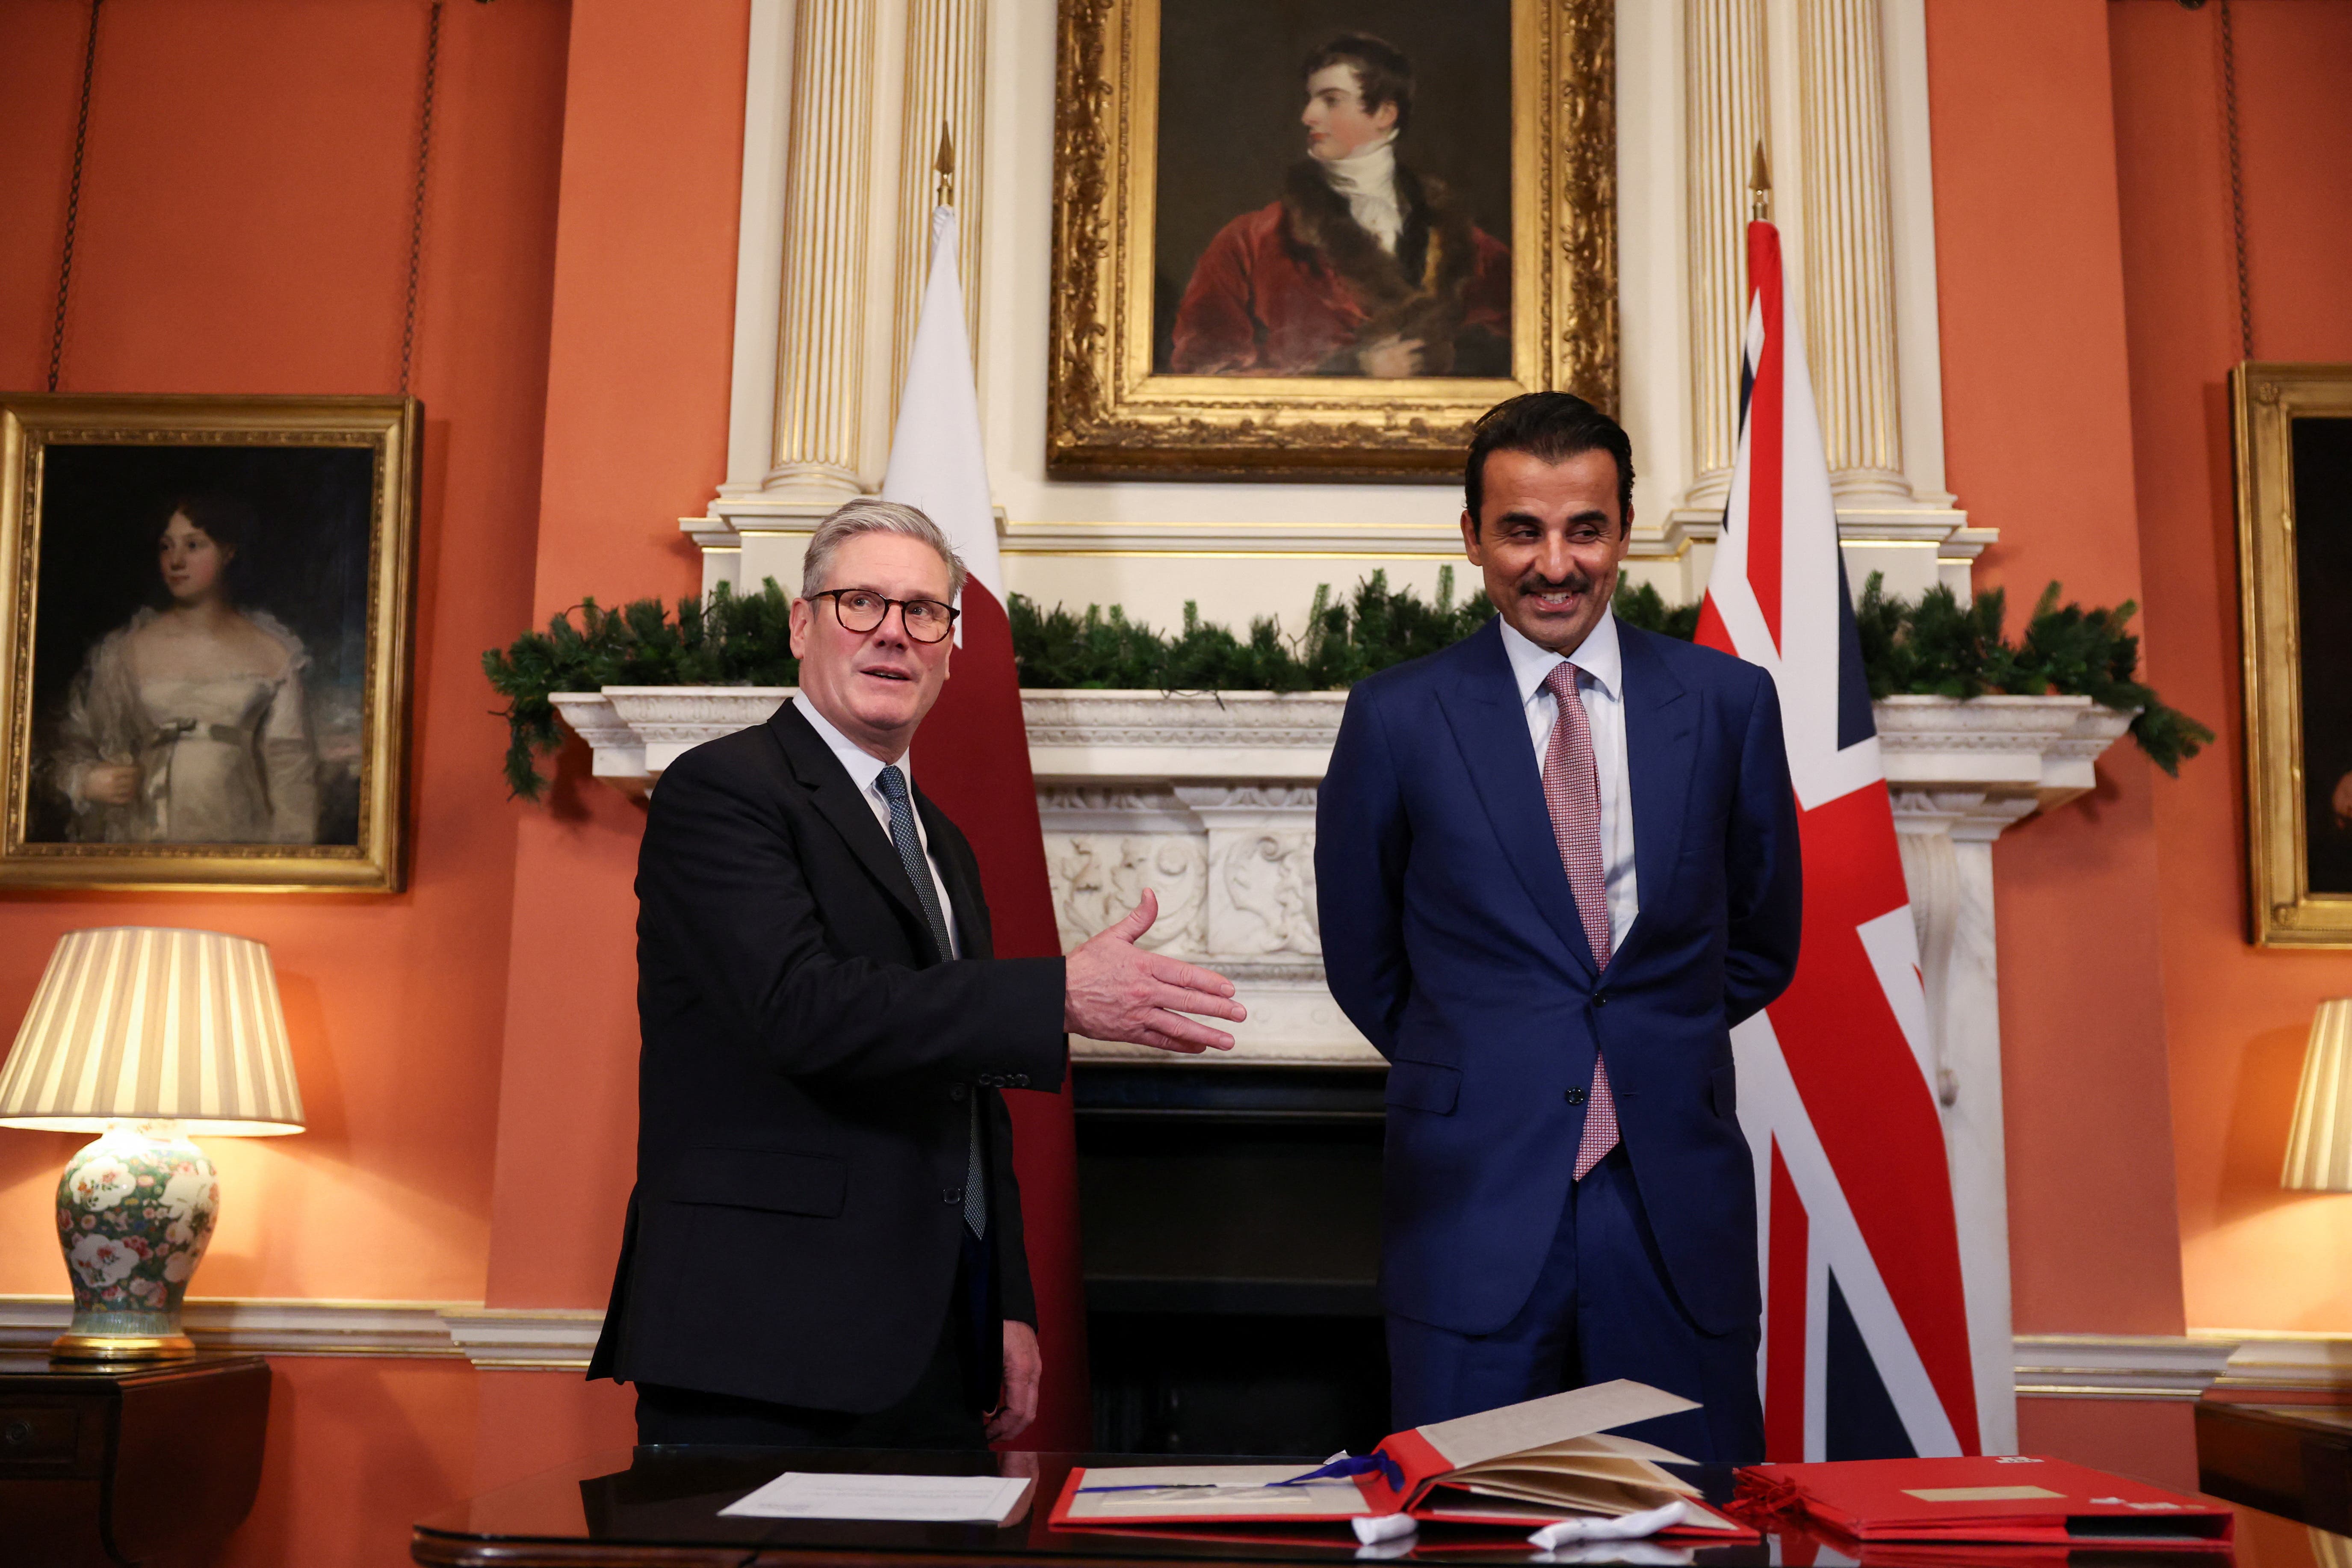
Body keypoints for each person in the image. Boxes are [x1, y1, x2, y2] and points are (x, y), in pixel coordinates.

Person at [588, 500, 1247, 1447]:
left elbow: (966, 1093)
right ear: (800, 623)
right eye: (860, 602)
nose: (894, 632)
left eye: (923, 612)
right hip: (764, 1343)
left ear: (949, 646)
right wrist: (1056, 993)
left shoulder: (938, 838)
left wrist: (1005, 1302)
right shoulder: (724, 790)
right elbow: (801, 1010)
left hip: (933, 1342)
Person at [1315, 392, 1802, 1462]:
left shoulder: (1727, 705)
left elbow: (1763, 936)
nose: (1554, 563)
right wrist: (1497, 1050)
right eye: (1521, 530)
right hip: (1471, 1207)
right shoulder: (1397, 716)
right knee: (1462, 1523)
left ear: (1621, 531)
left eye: (1583, 528)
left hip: (1671, 1208)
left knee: (1688, 1524)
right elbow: (1363, 956)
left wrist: (1647, 1041)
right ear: (1472, 537)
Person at [1167, 33, 1510, 378]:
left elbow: (1533, 353)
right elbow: (1204, 377)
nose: (1308, 116)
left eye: (1331, 100)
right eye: (1311, 99)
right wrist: (1350, 370)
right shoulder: (1250, 240)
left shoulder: (1468, 244)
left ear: (1385, 113)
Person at [49, 493, 319, 845]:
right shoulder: (124, 652)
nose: (176, 561)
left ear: (228, 551)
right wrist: (88, 780)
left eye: (193, 546)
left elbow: (292, 778)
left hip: (237, 839)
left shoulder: (271, 653)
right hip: (144, 837)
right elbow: (68, 752)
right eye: (166, 547)